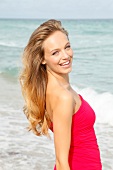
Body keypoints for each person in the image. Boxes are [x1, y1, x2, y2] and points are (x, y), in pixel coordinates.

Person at [20, 19, 102, 170]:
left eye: (67, 47)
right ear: (43, 59)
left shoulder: (56, 89)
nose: (65, 56)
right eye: (55, 53)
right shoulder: (63, 97)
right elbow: (61, 161)